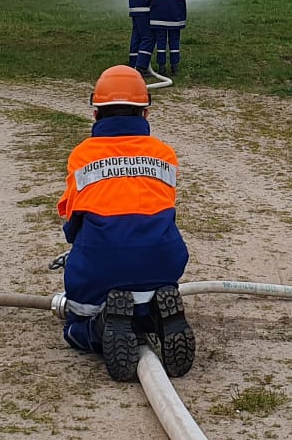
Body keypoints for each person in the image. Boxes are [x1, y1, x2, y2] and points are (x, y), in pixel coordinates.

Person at [56, 65, 196, 382]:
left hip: (100, 260)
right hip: (163, 258)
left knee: (75, 326)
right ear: (145, 114)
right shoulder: (164, 154)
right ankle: (157, 316)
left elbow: (72, 221)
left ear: (95, 114)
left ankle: (99, 327)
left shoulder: (83, 155)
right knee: (142, 292)